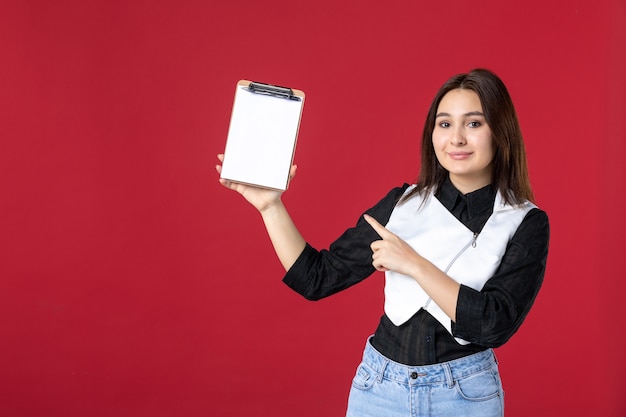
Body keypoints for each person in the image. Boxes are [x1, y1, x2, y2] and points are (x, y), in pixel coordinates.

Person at [215, 68, 549, 417]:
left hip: (464, 396)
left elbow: (493, 325)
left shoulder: (525, 222)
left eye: (474, 123)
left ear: (501, 132)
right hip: (380, 389)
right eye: (445, 123)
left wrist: (414, 264)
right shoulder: (401, 204)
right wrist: (271, 206)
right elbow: (317, 278)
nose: (457, 139)